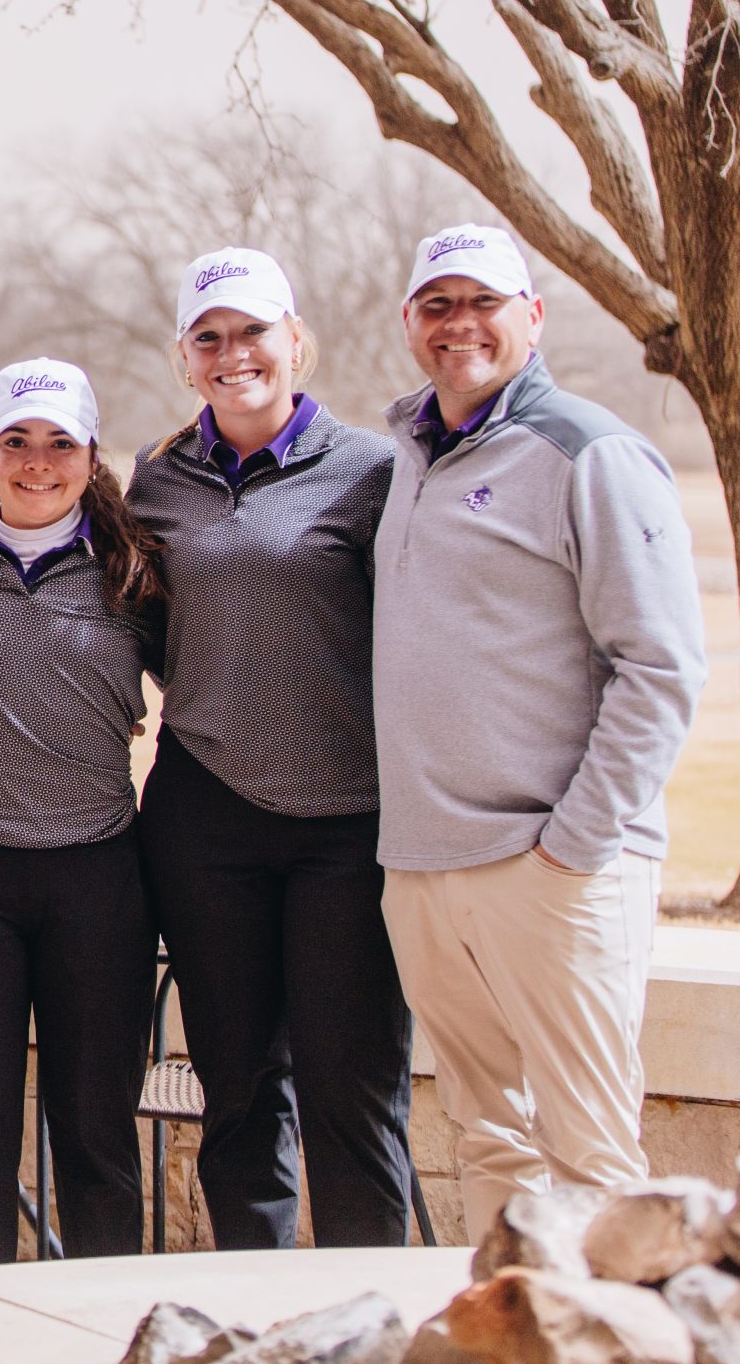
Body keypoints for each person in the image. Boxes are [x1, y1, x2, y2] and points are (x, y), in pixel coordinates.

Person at [374, 224, 705, 1237]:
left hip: (548, 870)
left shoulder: (590, 451)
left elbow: (658, 667)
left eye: (484, 302)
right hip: (426, 867)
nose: (459, 323)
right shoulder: (407, 455)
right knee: (487, 1140)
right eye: (438, 305)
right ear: (410, 325)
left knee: (590, 1156)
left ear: (533, 316)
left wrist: (572, 845)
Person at [122, 247, 416, 1249]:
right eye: (209, 337)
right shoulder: (158, 476)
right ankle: (256, 1318)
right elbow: (144, 623)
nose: (232, 353)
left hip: (347, 819)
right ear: (184, 358)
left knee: (352, 1087)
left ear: (296, 341)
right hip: (206, 818)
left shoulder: (376, 472)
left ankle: (362, 1318)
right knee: (238, 1091)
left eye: (253, 332)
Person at [0, 359, 163, 1267]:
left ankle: (99, 1329)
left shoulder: (135, 568)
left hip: (97, 875)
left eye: (61, 443)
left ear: (92, 457)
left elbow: (199, 684)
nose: (38, 461)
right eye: (17, 440)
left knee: (95, 1129)